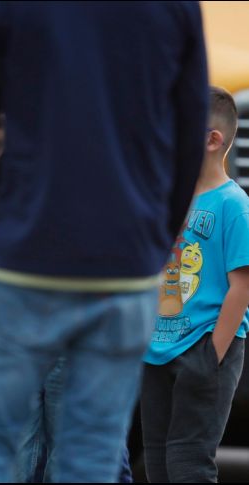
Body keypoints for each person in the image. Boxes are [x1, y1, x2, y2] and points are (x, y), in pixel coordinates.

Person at [0, 2, 209, 482]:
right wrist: (153, 244)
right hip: (126, 263)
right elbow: (190, 131)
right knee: (91, 458)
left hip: (21, 257)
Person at [140, 86, 248, 483]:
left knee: (188, 465)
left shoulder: (233, 204)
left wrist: (211, 357)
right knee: (158, 465)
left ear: (211, 139)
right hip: (158, 351)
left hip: (204, 348)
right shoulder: (169, 200)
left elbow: (242, 286)